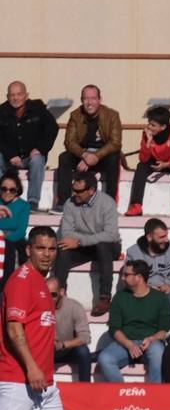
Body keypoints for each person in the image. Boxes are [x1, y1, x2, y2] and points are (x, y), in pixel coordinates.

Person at [0, 226, 110, 410]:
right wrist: (32, 367)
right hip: (19, 378)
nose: (47, 254)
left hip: (43, 382)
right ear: (28, 250)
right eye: (41, 248)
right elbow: (13, 329)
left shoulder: (41, 282)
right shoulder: (21, 282)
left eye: (51, 249)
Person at [56, 172, 120, 317]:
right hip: (85, 247)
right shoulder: (70, 203)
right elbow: (66, 233)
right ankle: (60, 293)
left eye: (79, 191)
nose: (74, 194)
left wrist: (80, 240)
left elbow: (110, 234)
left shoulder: (107, 203)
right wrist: (83, 241)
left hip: (108, 246)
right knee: (63, 247)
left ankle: (104, 298)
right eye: (73, 189)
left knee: (103, 245)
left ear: (91, 190)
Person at [98, 259, 170, 383]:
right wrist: (129, 344)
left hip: (151, 342)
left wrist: (151, 339)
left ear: (139, 277)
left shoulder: (160, 298)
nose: (122, 278)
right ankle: (122, 393)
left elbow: (164, 328)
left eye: (126, 275)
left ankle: (155, 396)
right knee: (105, 358)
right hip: (125, 342)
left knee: (158, 353)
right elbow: (114, 328)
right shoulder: (119, 297)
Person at [55, 85, 122, 208]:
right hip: (82, 155)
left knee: (114, 158)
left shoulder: (112, 115)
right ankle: (62, 203)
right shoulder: (75, 115)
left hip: (103, 156)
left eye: (93, 98)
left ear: (99, 99)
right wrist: (85, 155)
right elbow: (69, 142)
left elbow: (115, 143)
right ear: (81, 100)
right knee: (64, 158)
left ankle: (110, 203)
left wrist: (95, 156)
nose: (89, 103)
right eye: (86, 99)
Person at [0, 81, 58, 210]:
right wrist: (10, 155)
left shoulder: (38, 109)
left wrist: (41, 149)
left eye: (19, 94)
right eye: (12, 95)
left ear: (26, 95)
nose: (15, 98)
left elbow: (52, 129)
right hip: (10, 158)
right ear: (7, 96)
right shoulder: (1, 112)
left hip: (31, 156)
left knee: (38, 160)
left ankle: (33, 202)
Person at [125, 105, 170, 217]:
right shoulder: (146, 134)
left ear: (163, 127)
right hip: (153, 160)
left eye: (153, 125)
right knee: (141, 167)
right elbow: (143, 158)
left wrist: (167, 164)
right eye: (149, 123)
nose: (149, 127)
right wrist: (148, 141)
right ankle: (136, 205)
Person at [122, 218, 170, 307]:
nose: (166, 240)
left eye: (166, 236)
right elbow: (127, 279)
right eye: (162, 237)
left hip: (168, 295)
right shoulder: (134, 253)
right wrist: (146, 288)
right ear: (149, 237)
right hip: (140, 295)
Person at [48, 275, 91, 382]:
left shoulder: (74, 307)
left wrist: (63, 345)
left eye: (53, 295)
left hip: (67, 350)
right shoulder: (38, 306)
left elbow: (85, 337)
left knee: (83, 351)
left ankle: (86, 389)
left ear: (61, 292)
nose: (49, 299)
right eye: (46, 294)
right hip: (46, 350)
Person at [0, 171, 31, 276]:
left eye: (12, 190)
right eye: (4, 189)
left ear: (17, 191)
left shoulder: (24, 206)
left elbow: (21, 231)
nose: (7, 192)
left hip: (15, 239)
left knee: (11, 248)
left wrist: (5, 236)